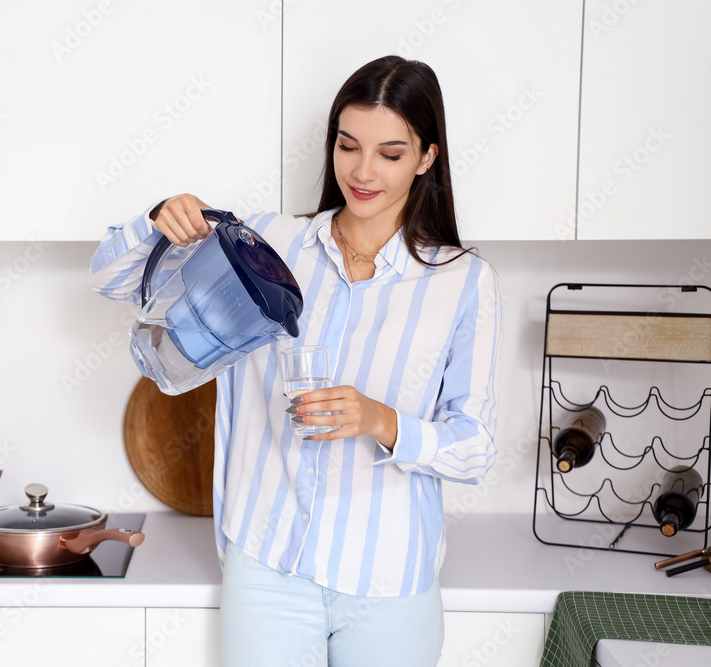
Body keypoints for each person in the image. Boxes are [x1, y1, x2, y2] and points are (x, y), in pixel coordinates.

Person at [87, 55, 501, 667]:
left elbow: (475, 448)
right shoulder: (264, 244)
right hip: (269, 569)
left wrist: (381, 421)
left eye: (390, 153)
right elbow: (112, 280)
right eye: (347, 145)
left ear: (427, 157)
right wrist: (160, 224)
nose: (362, 171)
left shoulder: (464, 282)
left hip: (388, 582)